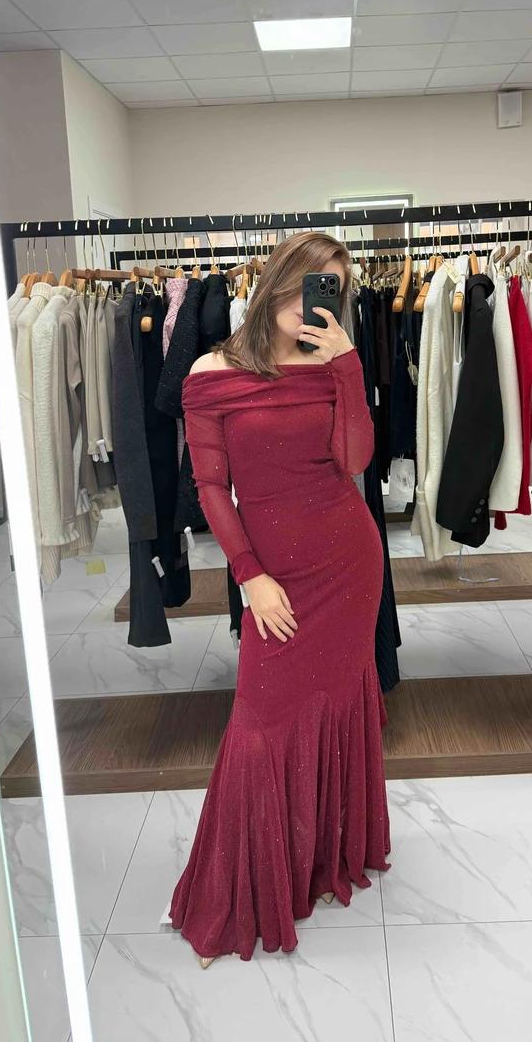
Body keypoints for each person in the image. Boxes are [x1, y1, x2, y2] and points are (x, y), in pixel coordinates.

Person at [170, 231, 392, 966]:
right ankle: (239, 894)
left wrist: (348, 367)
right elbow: (210, 487)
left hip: (347, 562)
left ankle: (323, 860)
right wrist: (249, 576)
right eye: (309, 282)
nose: (317, 300)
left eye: (334, 288)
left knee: (336, 702)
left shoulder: (332, 365)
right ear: (277, 282)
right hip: (271, 575)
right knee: (261, 721)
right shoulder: (210, 372)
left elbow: (354, 460)